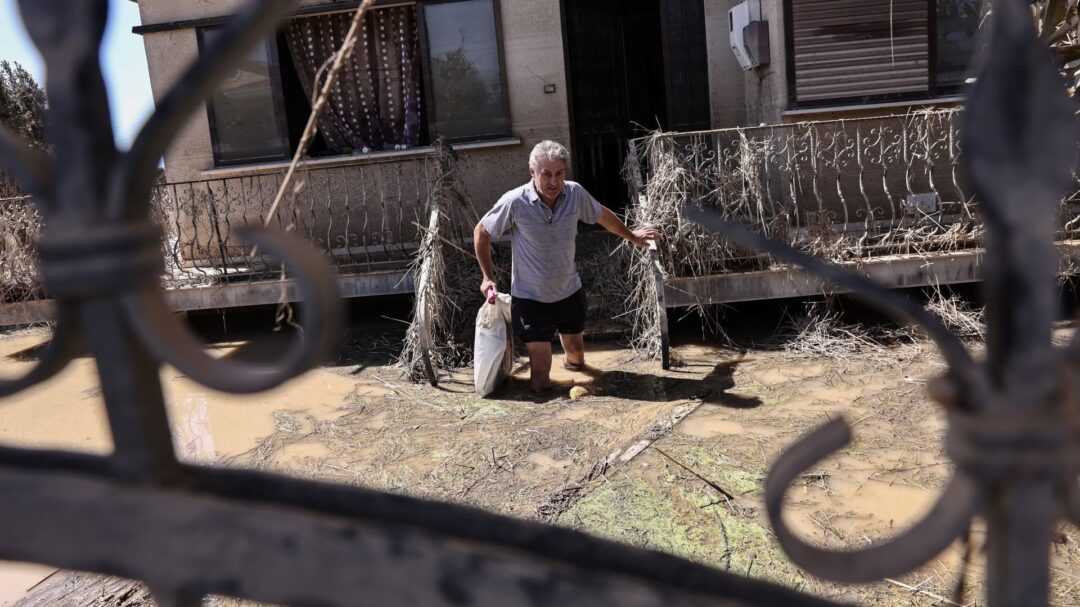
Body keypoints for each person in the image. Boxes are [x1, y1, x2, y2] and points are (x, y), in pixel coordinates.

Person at [474, 140, 659, 393]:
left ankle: (573, 370)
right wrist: (487, 277)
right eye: (546, 174)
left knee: (577, 361)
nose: (554, 182)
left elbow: (602, 216)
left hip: (568, 292)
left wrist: (632, 236)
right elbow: (481, 232)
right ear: (532, 172)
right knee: (540, 383)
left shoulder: (575, 194)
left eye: (559, 174)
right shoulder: (515, 202)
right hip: (530, 299)